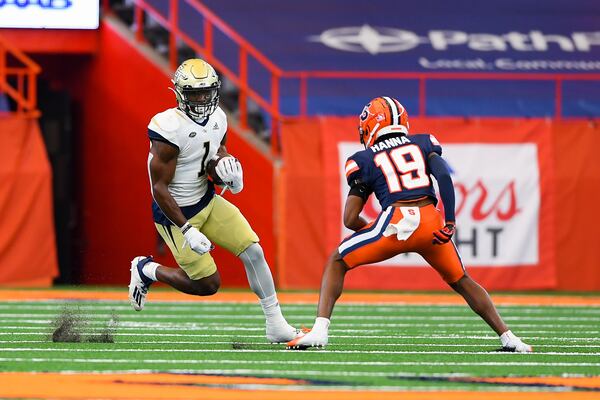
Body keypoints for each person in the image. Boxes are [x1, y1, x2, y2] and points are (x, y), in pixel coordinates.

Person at [287, 96, 533, 352]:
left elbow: (349, 219)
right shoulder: (423, 142)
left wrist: (377, 232)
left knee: (338, 261)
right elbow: (443, 176)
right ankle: (510, 338)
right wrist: (449, 220)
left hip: (396, 222)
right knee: (462, 279)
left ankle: (319, 331)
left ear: (370, 125)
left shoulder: (362, 159)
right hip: (432, 221)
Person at [128, 58, 299, 343]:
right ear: (180, 93)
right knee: (208, 285)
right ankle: (146, 269)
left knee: (253, 251)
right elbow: (158, 187)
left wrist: (227, 171)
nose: (201, 99)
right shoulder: (168, 127)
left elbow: (215, 153)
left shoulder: (218, 117)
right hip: (176, 214)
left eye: (206, 92)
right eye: (194, 93)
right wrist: (186, 229)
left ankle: (276, 324)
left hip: (207, 201)